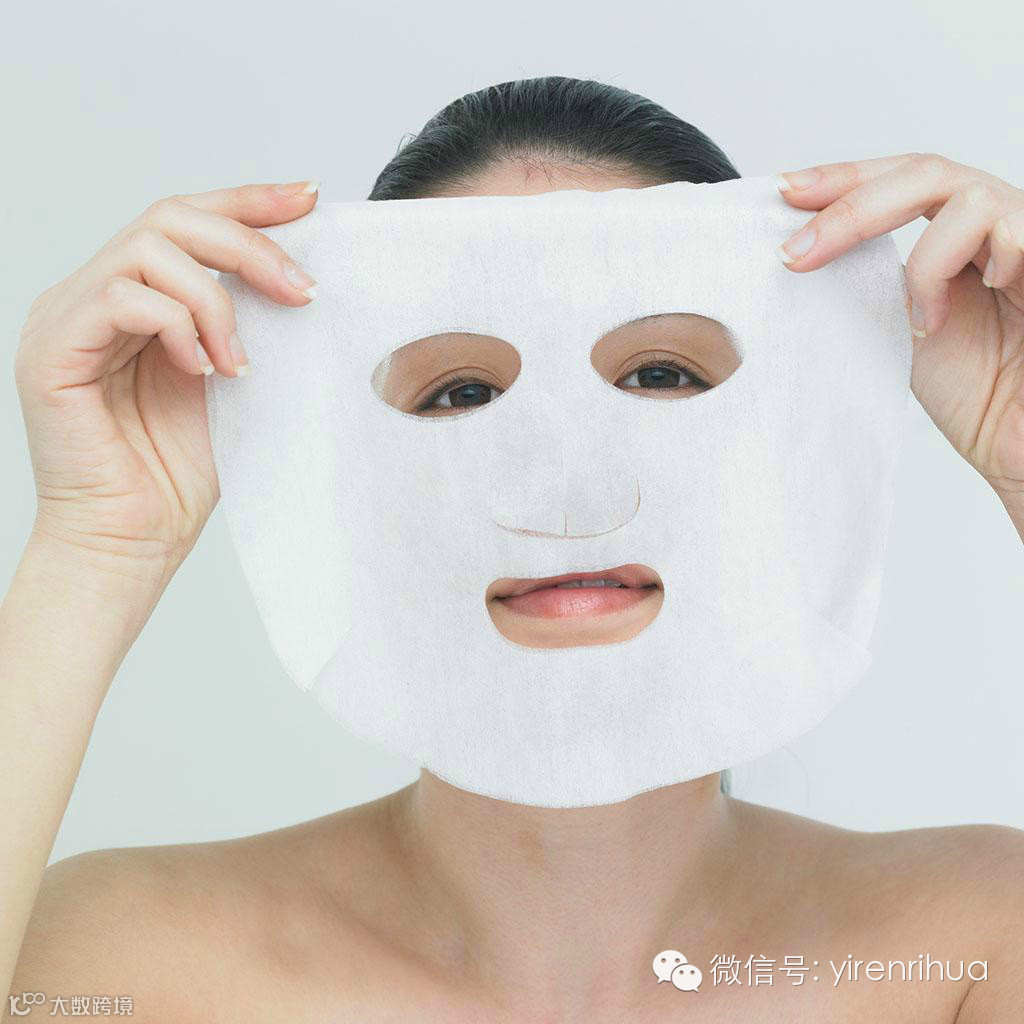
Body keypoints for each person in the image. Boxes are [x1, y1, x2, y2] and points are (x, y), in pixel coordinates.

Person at [2, 77, 1023, 1021]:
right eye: (460, 392)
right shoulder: (123, 964)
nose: (563, 478)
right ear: (351, 472)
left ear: (787, 438)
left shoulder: (976, 941)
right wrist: (98, 541)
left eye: (661, 374)